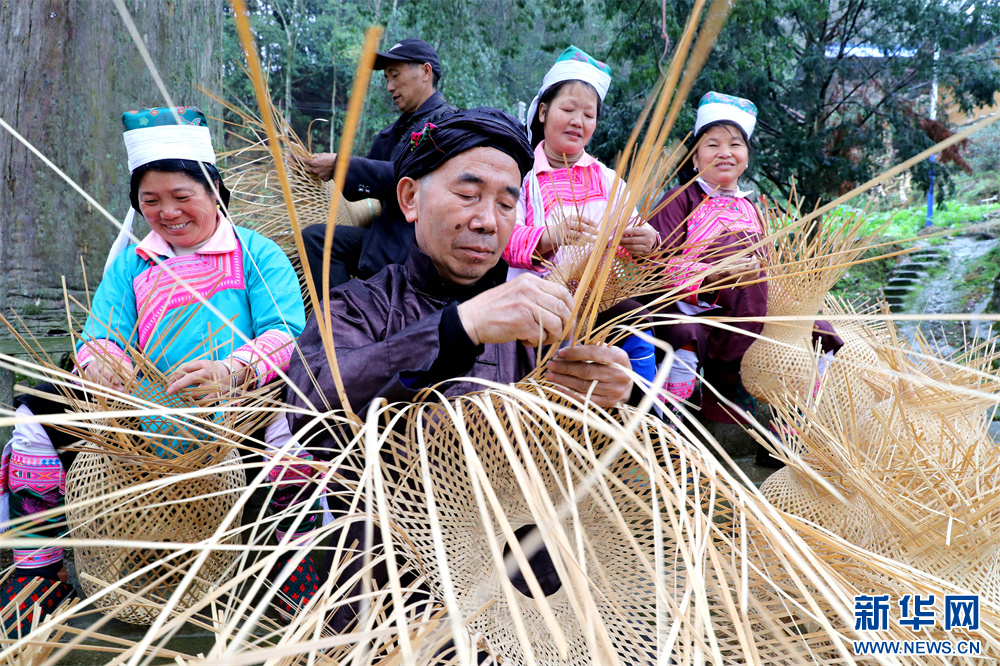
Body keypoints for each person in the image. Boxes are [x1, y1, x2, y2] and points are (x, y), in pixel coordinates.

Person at [284, 108, 637, 630]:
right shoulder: (358, 306)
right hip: (384, 588)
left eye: (505, 202)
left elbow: (592, 470)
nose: (486, 220)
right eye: (467, 194)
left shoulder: (537, 321)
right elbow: (308, 406)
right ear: (409, 199)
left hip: (514, 596)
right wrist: (458, 327)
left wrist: (620, 400)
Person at [0, 107, 309, 627]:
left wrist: (232, 370)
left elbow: (285, 335)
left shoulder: (257, 254)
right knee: (33, 424)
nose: (167, 212)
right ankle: (40, 577)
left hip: (237, 407)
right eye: (151, 200)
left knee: (291, 439)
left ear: (214, 193)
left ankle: (295, 578)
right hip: (139, 410)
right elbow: (101, 335)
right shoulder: (131, 262)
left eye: (182, 196)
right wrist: (105, 364)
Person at [647, 92, 839, 422]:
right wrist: (711, 275)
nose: (724, 153)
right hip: (703, 311)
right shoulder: (679, 200)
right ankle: (668, 426)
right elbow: (657, 265)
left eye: (735, 144)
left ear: (746, 157)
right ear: (694, 158)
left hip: (756, 314)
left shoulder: (751, 209)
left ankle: (795, 425)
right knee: (682, 337)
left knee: (819, 331)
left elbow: (768, 269)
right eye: (712, 144)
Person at [502, 46, 661, 387]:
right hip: (535, 300)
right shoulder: (522, 177)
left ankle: (648, 415)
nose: (578, 121)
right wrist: (549, 236)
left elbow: (636, 235)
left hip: (598, 300)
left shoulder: (607, 179)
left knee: (636, 320)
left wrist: (647, 240)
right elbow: (503, 240)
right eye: (568, 109)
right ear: (543, 111)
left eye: (588, 115)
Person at [300, 39, 456, 292]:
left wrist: (342, 165)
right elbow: (370, 181)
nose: (389, 87)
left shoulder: (447, 124)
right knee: (319, 240)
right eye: (386, 78)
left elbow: (414, 178)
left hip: (418, 245)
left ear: (426, 72)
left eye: (395, 76)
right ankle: (339, 321)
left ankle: (346, 320)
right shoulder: (391, 133)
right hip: (384, 239)